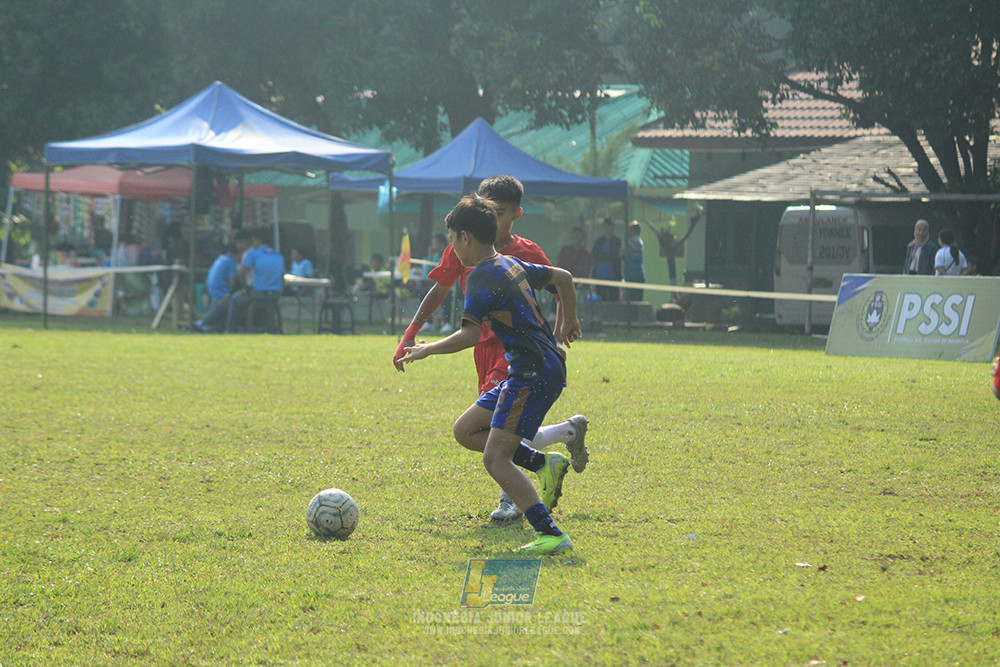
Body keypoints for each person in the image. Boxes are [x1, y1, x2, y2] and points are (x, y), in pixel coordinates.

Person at [392, 175, 589, 524]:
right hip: (495, 351)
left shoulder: (507, 258)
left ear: (515, 214)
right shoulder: (473, 251)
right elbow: (440, 290)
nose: (490, 218)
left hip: (518, 356)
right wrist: (412, 331)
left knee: (499, 438)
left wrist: (561, 332)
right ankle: (560, 441)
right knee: (482, 429)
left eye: (497, 212)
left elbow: (561, 285)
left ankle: (522, 506)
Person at [225, 227, 285, 332]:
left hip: (259, 293)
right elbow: (281, 275)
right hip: (276, 294)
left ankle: (231, 330)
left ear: (257, 240)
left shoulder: (254, 254)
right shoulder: (278, 255)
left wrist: (245, 287)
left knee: (235, 300)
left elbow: (241, 273)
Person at [193, 242, 241, 333]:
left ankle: (206, 326)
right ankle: (203, 322)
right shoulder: (231, 262)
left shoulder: (221, 258)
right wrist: (230, 293)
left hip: (212, 290)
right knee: (233, 302)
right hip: (221, 293)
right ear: (238, 254)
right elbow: (232, 282)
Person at [556, 227, 593, 297]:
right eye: (574, 235)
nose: (575, 238)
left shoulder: (586, 254)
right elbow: (559, 266)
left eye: (578, 236)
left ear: (582, 238)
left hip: (578, 281)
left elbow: (586, 271)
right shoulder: (564, 251)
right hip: (565, 280)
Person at [591, 217, 622, 301]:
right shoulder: (599, 241)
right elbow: (596, 256)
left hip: (614, 275)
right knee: (601, 298)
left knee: (614, 299)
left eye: (612, 225)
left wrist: (608, 257)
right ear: (604, 226)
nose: (610, 227)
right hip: (600, 275)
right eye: (608, 225)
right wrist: (610, 256)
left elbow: (617, 257)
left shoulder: (617, 241)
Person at [644, 220, 678, 284]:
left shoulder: (665, 238)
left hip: (670, 254)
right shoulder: (662, 237)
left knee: (672, 276)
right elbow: (655, 229)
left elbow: (655, 229)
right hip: (669, 254)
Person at [622, 220, 646, 301]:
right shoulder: (640, 241)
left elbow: (622, 254)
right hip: (639, 275)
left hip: (632, 276)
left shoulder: (631, 241)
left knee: (631, 301)